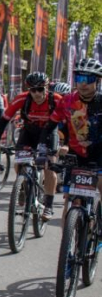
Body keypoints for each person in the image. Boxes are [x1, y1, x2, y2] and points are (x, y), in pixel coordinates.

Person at [0, 72, 62, 220]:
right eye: (33, 90)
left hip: (49, 132)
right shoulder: (23, 99)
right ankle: (22, 185)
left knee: (50, 166)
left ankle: (48, 205)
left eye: (40, 89)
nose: (37, 93)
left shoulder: (56, 100)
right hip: (29, 131)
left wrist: (66, 144)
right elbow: (5, 118)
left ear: (47, 88)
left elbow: (69, 122)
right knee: (20, 162)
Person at [40, 58, 102, 217]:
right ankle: (66, 240)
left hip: (99, 152)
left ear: (98, 80)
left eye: (88, 79)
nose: (83, 84)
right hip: (76, 153)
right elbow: (50, 126)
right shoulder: (67, 101)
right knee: (69, 202)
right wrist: (43, 149)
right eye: (79, 78)